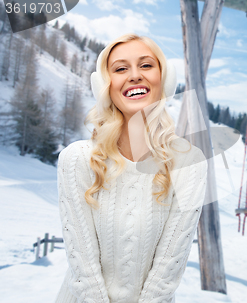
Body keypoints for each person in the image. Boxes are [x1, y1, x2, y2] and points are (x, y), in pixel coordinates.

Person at [55, 33, 208, 303]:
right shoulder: (76, 159)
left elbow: (168, 270)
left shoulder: (189, 163)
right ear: (105, 85)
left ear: (165, 80)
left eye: (146, 65)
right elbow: (83, 268)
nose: (135, 75)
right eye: (121, 68)